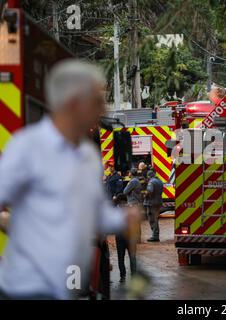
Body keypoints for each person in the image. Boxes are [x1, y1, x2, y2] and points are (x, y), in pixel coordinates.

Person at [0, 60, 141, 299]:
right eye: (97, 102)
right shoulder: (28, 147)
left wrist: (123, 218)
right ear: (75, 103)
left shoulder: (87, 156)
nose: (103, 111)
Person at [114, 194, 137, 283]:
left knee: (127, 257)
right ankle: (124, 276)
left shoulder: (116, 211)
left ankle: (127, 276)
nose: (123, 204)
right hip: (126, 236)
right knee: (125, 257)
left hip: (123, 236)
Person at [144, 170, 164, 242]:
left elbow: (149, 191)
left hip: (151, 203)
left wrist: (144, 195)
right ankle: (155, 235)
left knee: (152, 219)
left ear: (149, 176)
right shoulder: (159, 181)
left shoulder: (151, 182)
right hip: (158, 202)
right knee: (155, 218)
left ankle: (155, 236)